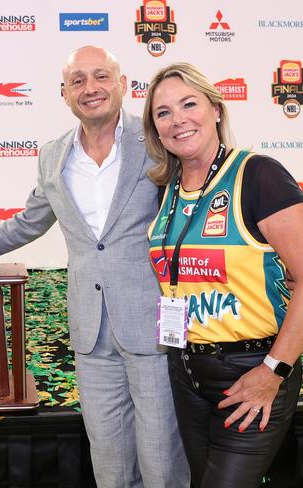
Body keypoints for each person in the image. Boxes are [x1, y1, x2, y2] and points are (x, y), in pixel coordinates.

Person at [0, 45, 189, 488]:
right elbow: (29, 222)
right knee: (109, 461)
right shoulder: (53, 157)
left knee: (161, 459)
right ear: (64, 93)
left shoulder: (157, 140)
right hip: (90, 335)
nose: (90, 88)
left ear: (122, 83)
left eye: (100, 77)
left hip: (152, 326)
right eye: (78, 80)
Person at [145, 62, 303, 488]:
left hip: (253, 369)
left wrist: (274, 371)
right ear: (156, 129)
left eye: (189, 104)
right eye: (163, 112)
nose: (177, 119)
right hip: (186, 373)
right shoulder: (168, 189)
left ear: (216, 109)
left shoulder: (258, 175)